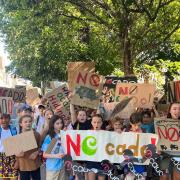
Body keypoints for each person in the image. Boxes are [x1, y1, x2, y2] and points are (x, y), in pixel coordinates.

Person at [16, 115, 41, 180]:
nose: (28, 123)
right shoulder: (17, 136)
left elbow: (41, 147)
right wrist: (17, 154)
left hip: (35, 165)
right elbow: (14, 152)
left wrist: (36, 152)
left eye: (30, 121)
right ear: (21, 124)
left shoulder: (36, 134)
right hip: (23, 166)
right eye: (25, 122)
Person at [41, 115, 66, 180]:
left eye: (61, 123)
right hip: (52, 167)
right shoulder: (51, 137)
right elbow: (45, 154)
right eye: (57, 123)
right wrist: (57, 156)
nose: (60, 125)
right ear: (52, 124)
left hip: (62, 166)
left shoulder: (63, 135)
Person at [160, 102, 180, 180]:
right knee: (164, 176)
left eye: (179, 109)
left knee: (177, 177)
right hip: (166, 154)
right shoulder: (162, 123)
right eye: (174, 109)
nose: (177, 111)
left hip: (179, 155)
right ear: (170, 111)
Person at [124, 112, 146, 180]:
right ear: (130, 123)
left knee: (141, 178)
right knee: (129, 177)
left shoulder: (144, 131)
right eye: (134, 125)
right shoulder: (126, 131)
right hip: (128, 160)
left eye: (139, 125)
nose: (137, 127)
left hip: (140, 161)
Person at [86, 114, 106, 180]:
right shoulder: (87, 133)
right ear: (91, 122)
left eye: (98, 122)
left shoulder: (107, 134)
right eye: (94, 122)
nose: (96, 124)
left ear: (102, 123)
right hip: (91, 161)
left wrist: (118, 132)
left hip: (102, 162)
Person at [0, 114, 18, 180]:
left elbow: (17, 146)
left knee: (14, 178)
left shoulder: (14, 130)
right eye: (1, 118)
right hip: (2, 158)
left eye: (6, 118)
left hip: (13, 157)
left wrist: (17, 161)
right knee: (4, 179)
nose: (4, 120)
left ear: (9, 120)